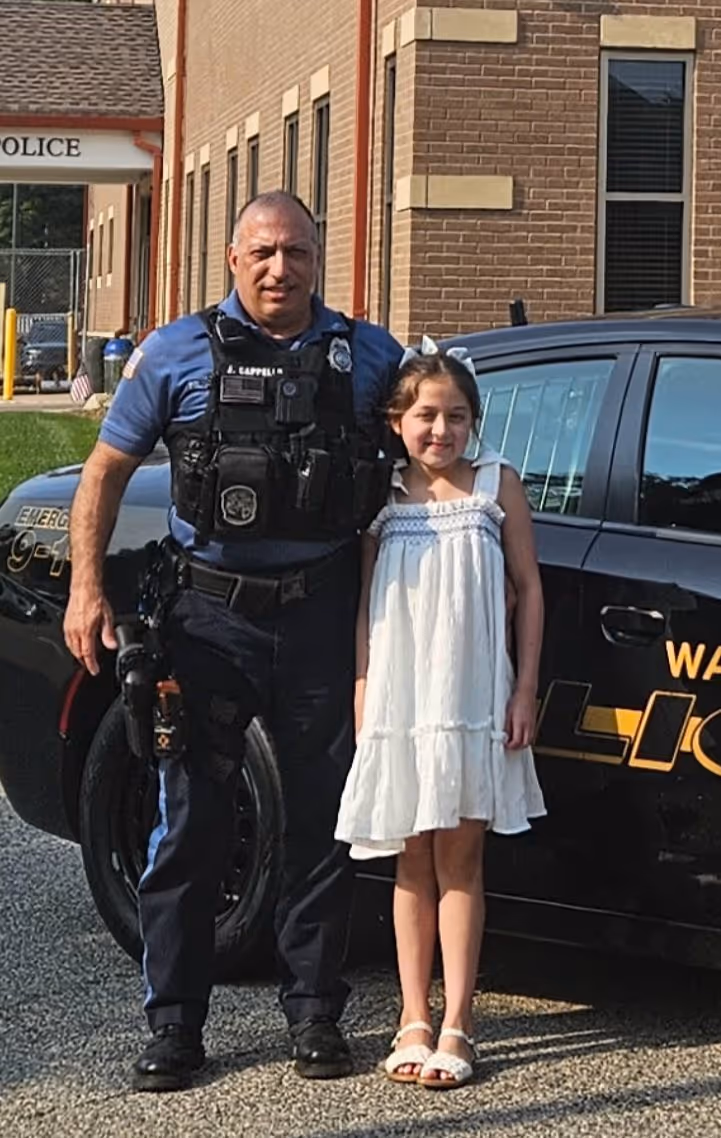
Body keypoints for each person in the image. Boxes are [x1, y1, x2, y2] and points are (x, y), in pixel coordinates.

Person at [62, 190, 402, 1092]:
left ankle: (315, 1013)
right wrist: (88, 587)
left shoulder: (370, 357)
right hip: (208, 618)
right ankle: (174, 1023)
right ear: (230, 258)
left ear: (319, 254)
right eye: (260, 253)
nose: (278, 269)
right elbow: (104, 471)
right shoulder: (173, 352)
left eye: (293, 251)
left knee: (326, 819)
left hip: (323, 611)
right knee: (191, 818)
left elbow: (432, 456)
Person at [334, 336, 547, 1090]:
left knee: (460, 858)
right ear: (397, 420)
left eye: (457, 417)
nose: (441, 431)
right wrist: (363, 691)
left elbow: (529, 591)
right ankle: (411, 1016)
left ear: (474, 424)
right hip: (401, 697)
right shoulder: (384, 498)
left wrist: (523, 691)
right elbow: (365, 609)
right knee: (410, 860)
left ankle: (458, 1020)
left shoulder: (496, 487)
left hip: (471, 698)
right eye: (426, 415)